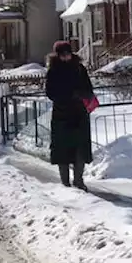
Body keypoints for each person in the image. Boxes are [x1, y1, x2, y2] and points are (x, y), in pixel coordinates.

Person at [45, 41, 94, 190]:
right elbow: (50, 93)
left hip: (79, 116)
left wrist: (79, 94)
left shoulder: (79, 69)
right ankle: (65, 183)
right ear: (57, 55)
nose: (66, 57)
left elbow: (89, 90)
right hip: (61, 116)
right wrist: (66, 97)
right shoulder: (53, 71)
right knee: (62, 151)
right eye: (62, 55)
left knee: (80, 150)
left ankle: (79, 180)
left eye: (68, 54)